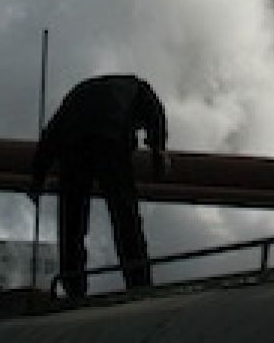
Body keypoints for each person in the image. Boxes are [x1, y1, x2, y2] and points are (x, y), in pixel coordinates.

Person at [28, 74, 170, 298]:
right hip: (109, 139)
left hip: (73, 143)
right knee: (125, 216)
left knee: (71, 219)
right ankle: (139, 284)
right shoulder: (139, 88)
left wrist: (37, 179)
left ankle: (74, 288)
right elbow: (155, 115)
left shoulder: (80, 92)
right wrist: (158, 148)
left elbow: (51, 135)